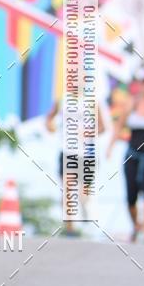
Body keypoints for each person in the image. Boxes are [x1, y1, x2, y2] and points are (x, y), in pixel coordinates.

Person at [106, 65, 144, 243]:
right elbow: (118, 126)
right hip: (132, 154)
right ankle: (136, 225)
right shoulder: (130, 104)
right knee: (131, 197)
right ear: (140, 84)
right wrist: (110, 146)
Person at [46, 99, 105, 237]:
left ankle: (85, 210)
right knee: (67, 190)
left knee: (83, 194)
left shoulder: (93, 101)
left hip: (87, 154)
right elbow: (49, 120)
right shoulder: (62, 100)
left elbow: (102, 127)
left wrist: (89, 132)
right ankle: (70, 229)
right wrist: (51, 126)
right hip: (67, 152)